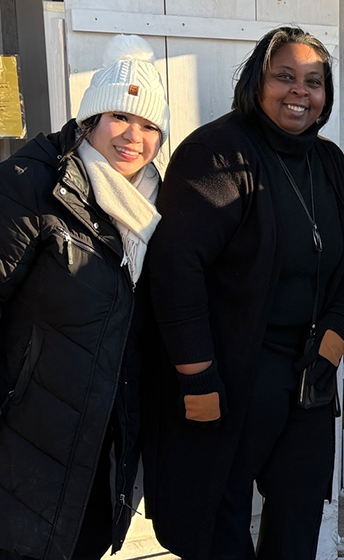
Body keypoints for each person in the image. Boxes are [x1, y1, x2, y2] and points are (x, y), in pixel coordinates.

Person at [143, 26, 344, 560]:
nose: (300, 92)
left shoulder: (328, 161)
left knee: (298, 509)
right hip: (232, 368)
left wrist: (334, 338)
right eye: (283, 76)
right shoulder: (219, 152)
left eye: (313, 81)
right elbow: (177, 268)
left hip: (309, 370)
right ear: (256, 83)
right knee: (216, 518)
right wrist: (195, 374)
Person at [0, 35, 169, 560]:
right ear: (90, 120)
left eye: (147, 125)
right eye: (119, 116)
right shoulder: (32, 185)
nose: (132, 136)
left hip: (104, 443)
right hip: (26, 438)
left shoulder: (158, 208)